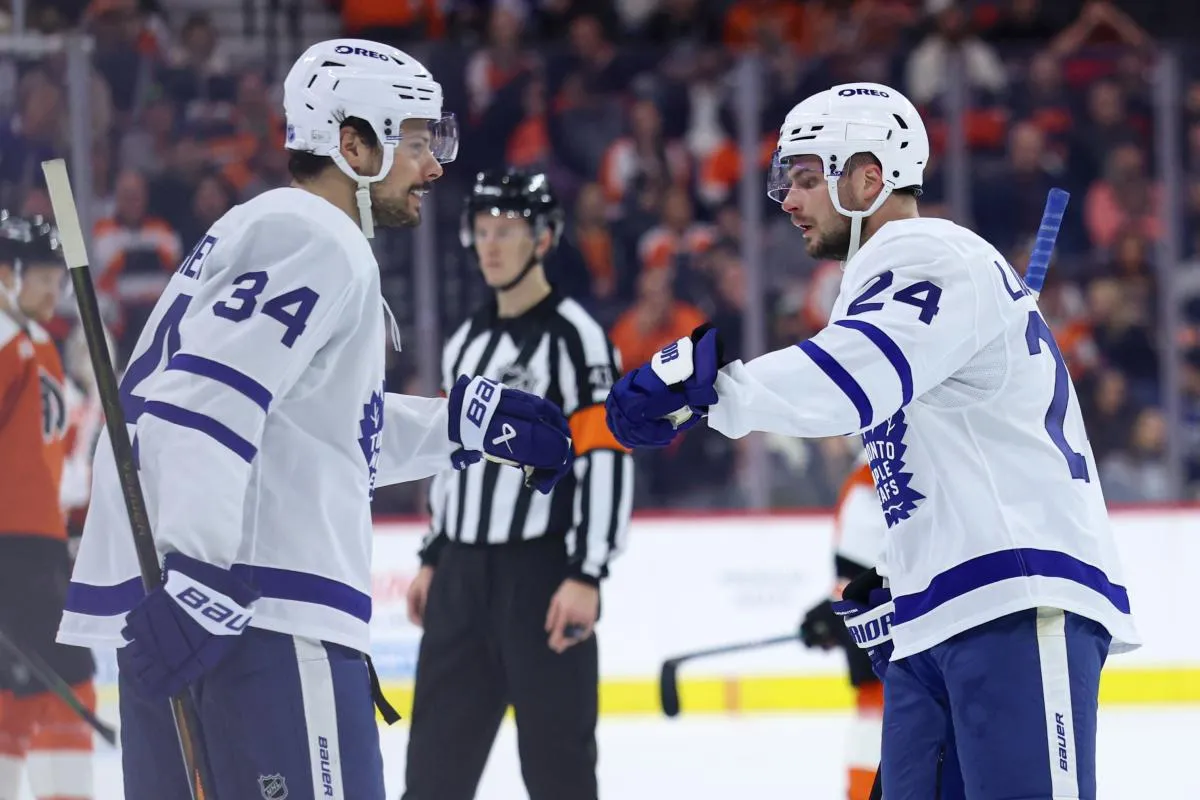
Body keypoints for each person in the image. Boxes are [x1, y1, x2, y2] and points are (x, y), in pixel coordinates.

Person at [54, 39, 575, 800]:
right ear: (352, 141)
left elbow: (307, 430)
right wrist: (200, 575)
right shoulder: (314, 235)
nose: (433, 167)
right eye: (416, 141)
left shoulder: (259, 230)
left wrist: (460, 425)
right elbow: (206, 401)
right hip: (258, 619)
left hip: (197, 618)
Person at [605, 82, 1140, 800]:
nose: (787, 200)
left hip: (1014, 595)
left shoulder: (929, 252)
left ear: (868, 177)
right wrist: (903, 582)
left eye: (803, 178)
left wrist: (708, 394)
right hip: (939, 613)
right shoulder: (885, 280)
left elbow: (850, 378)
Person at [403, 168, 633, 800]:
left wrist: (588, 573)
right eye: (481, 231)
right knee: (431, 775)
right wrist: (433, 556)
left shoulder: (579, 337)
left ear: (543, 238)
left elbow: (606, 455)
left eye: (506, 230)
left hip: (541, 579)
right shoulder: (465, 341)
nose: (491, 245)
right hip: (460, 580)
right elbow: (451, 457)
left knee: (559, 774)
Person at [0, 213, 96, 800]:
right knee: (68, 684)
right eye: (41, 275)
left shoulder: (41, 345)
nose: (53, 288)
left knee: (18, 694)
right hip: (13, 545)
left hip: (37, 542)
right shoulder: (7, 336)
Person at [798, 455, 885, 800]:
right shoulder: (867, 467)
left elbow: (871, 564)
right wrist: (835, 608)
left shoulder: (881, 464)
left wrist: (843, 605)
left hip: (898, 637)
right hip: (882, 633)